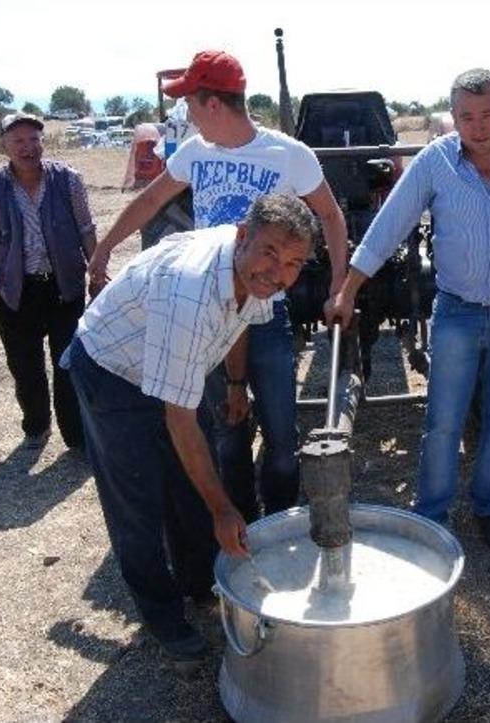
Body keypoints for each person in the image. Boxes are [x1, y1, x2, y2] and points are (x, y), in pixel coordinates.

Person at [86, 50, 349, 521]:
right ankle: (240, 522)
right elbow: (150, 203)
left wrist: (337, 286)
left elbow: (329, 214)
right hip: (204, 311)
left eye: (188, 101)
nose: (184, 112)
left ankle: (281, 520)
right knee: (226, 430)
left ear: (212, 104)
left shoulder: (288, 154)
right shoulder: (194, 153)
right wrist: (105, 247)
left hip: (264, 312)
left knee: (282, 434)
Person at [326, 68, 490, 555]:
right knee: (443, 419)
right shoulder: (436, 162)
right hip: (456, 313)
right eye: (466, 116)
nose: (478, 126)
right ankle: (432, 516)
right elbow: (390, 223)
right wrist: (349, 287)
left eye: (488, 115)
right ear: (453, 119)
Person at [62, 194, 316, 660]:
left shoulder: (257, 278)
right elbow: (179, 419)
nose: (279, 273)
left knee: (190, 485)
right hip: (113, 367)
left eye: (294, 263)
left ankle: (200, 582)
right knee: (138, 499)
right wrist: (225, 510)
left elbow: (241, 322)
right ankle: (162, 615)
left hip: (175, 360)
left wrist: (237, 383)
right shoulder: (191, 289)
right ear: (244, 237)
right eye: (270, 253)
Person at [0, 112, 96, 450]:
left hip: (64, 288)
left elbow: (86, 229)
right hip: (17, 292)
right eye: (18, 141)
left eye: (33, 139)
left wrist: (96, 270)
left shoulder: (68, 179)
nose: (27, 147)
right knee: (25, 367)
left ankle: (76, 436)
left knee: (68, 364)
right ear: (4, 146)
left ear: (43, 142)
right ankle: (37, 426)